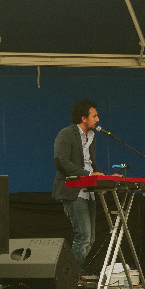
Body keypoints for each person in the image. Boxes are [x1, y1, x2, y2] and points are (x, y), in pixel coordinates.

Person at [52, 99, 108, 269]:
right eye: (94, 116)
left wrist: (104, 177)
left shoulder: (92, 137)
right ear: (83, 118)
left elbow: (90, 163)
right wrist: (89, 174)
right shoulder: (66, 133)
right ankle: (73, 275)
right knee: (83, 237)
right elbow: (61, 161)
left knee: (90, 239)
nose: (98, 119)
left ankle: (75, 273)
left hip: (88, 191)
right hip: (73, 191)